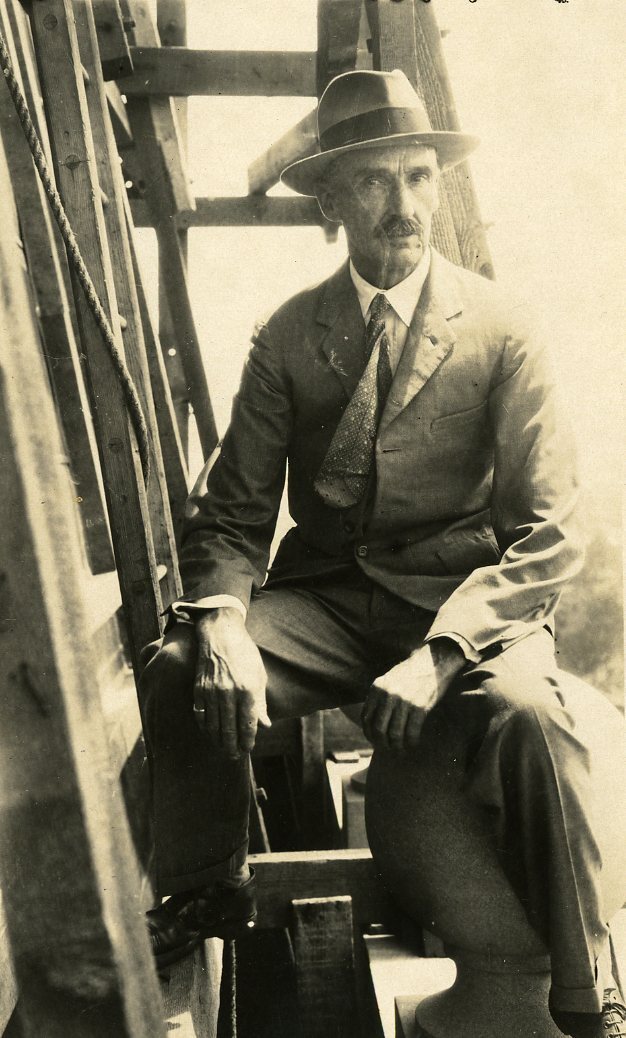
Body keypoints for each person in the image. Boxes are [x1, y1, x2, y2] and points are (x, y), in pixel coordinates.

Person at [140, 70, 626, 1037]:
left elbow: (552, 526)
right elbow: (232, 512)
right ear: (332, 201)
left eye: (416, 177)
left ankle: (589, 989)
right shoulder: (289, 335)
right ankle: (204, 891)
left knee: (537, 715)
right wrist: (228, 620)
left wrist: (446, 652)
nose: (402, 206)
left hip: (463, 607)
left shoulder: (502, 327)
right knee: (183, 666)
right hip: (328, 605)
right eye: (374, 183)